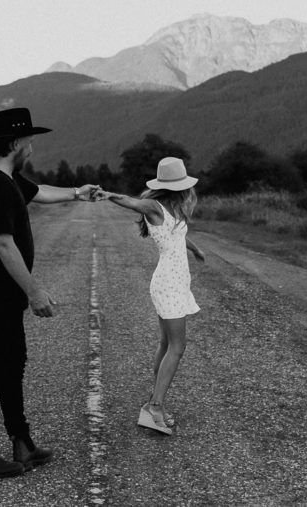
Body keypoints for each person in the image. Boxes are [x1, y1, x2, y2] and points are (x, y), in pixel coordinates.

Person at [0, 107, 101, 478]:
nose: (33, 148)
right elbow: (4, 246)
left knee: (13, 362)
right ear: (14, 144)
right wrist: (36, 291)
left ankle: (22, 442)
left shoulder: (8, 179)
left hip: (2, 295)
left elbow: (39, 194)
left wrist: (78, 193)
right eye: (29, 141)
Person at [94, 156, 205, 435]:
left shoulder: (172, 210)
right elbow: (132, 201)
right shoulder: (154, 207)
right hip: (168, 284)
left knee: (166, 343)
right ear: (178, 186)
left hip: (175, 283)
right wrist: (108, 195)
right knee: (177, 347)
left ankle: (157, 403)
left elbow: (178, 235)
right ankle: (154, 406)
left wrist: (194, 249)